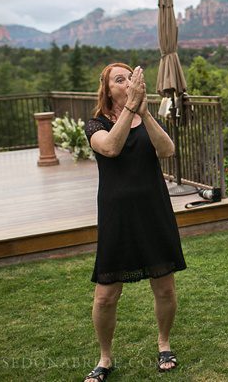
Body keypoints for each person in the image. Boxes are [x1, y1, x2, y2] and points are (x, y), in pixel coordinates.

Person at [81, 63, 186, 381]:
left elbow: (167, 150)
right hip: (117, 216)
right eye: (119, 79)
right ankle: (105, 357)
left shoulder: (144, 118)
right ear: (108, 89)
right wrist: (131, 108)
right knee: (106, 295)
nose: (127, 82)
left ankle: (164, 343)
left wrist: (146, 113)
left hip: (154, 209)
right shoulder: (95, 124)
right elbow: (111, 147)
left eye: (130, 77)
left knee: (165, 289)